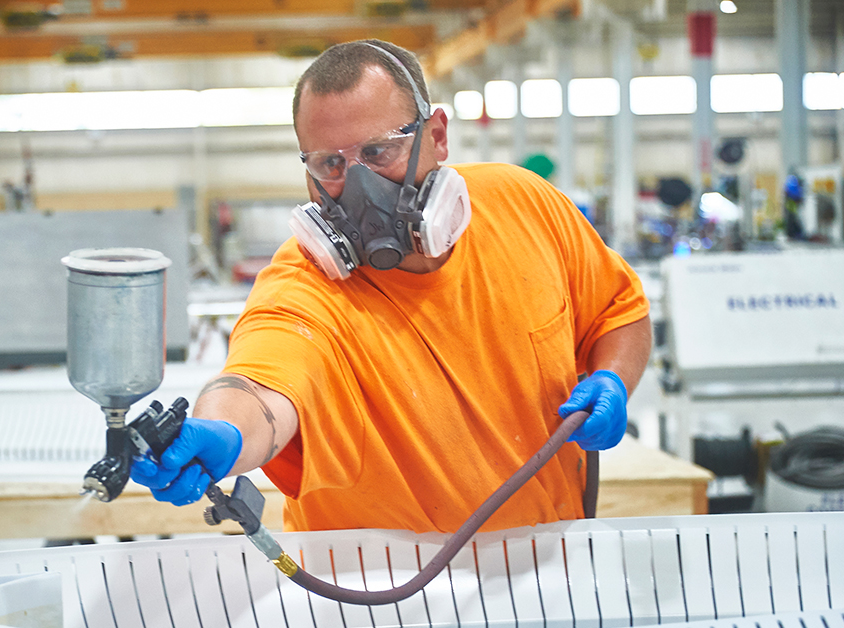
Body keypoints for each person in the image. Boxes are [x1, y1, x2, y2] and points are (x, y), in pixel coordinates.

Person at [132, 39, 652, 533]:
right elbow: (262, 387)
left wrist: (612, 379)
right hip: (377, 591)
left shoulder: (526, 206)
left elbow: (617, 311)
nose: (359, 185)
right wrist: (224, 434)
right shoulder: (305, 286)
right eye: (330, 164)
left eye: (379, 152)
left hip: (547, 571)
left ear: (438, 135)